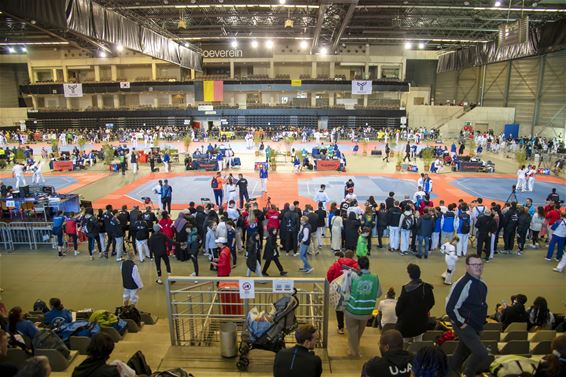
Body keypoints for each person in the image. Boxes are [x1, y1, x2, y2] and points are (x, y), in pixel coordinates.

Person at [446, 255, 490, 377]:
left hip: (476, 324)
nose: (478, 267)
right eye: (474, 265)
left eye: (480, 264)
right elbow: (450, 308)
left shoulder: (481, 282)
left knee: (461, 354)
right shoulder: (463, 284)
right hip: (465, 325)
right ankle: (468, 373)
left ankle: (451, 371)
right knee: (482, 354)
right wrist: (462, 323)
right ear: (467, 267)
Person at [344, 256, 381, 358]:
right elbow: (378, 294)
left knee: (352, 332)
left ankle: (354, 352)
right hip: (367, 311)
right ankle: (355, 347)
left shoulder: (353, 276)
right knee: (359, 331)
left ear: (359, 266)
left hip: (352, 309)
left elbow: (346, 290)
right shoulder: (375, 277)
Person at [395, 264, 435, 343]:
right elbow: (432, 302)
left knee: (404, 343)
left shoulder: (406, 289)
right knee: (418, 342)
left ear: (409, 274)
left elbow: (398, 309)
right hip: (421, 322)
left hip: (406, 324)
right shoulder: (427, 287)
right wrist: (424, 311)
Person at [326, 250, 359, 334]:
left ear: (344, 256)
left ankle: (341, 327)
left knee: (339, 307)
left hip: (338, 289)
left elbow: (329, 273)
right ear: (353, 257)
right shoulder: (356, 266)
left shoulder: (337, 263)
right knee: (349, 308)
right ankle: (350, 326)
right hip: (351, 290)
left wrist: (332, 282)